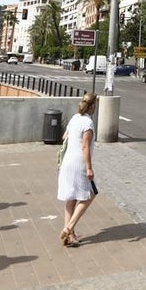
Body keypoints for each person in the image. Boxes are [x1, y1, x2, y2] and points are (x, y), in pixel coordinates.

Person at [56, 92, 97, 247]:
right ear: (92, 106)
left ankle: (70, 236)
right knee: (90, 195)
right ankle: (68, 228)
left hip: (67, 161)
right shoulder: (88, 123)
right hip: (78, 163)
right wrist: (89, 168)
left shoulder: (75, 118)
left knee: (71, 197)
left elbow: (64, 137)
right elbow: (85, 146)